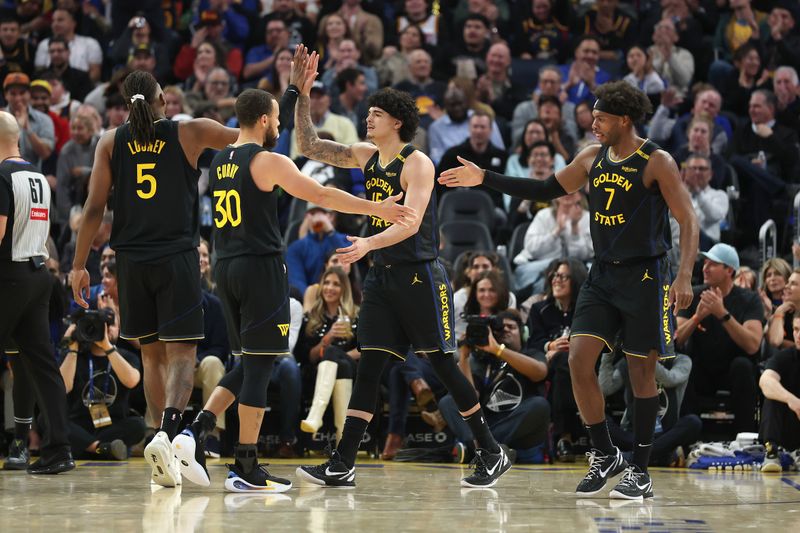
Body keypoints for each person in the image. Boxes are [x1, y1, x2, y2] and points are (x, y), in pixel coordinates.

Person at [440, 80, 699, 500]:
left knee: (641, 374)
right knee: (578, 359)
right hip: (602, 275)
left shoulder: (657, 161)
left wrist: (684, 274)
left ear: (624, 120)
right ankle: (604, 453)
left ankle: (640, 469)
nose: (592, 123)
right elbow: (545, 190)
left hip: (646, 276)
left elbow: (688, 220)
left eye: (600, 118)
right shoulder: (590, 158)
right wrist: (483, 177)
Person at [172, 49, 416, 493]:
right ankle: (245, 466)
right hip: (260, 268)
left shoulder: (224, 158)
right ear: (264, 121)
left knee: (247, 361)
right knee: (263, 366)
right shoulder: (271, 162)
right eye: (276, 119)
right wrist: (374, 206)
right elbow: (322, 195)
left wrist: (292, 90)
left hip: (225, 266)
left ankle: (194, 432)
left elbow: (265, 123)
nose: (281, 125)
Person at [294, 59, 512, 489]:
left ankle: (490, 451)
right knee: (371, 364)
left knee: (444, 365)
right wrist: (301, 95)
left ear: (396, 121)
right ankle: (343, 462)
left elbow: (410, 222)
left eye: (375, 114)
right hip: (382, 277)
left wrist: (368, 243)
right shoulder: (365, 155)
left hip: (420, 275)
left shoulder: (419, 164)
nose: (367, 118)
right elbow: (309, 147)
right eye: (367, 112)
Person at [69, 70, 240, 488]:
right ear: (163, 98)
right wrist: (289, 97)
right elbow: (253, 135)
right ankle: (167, 433)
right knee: (182, 353)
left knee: (151, 356)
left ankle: (157, 443)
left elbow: (93, 208)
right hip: (176, 256)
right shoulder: (188, 131)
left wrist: (78, 264)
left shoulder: (109, 141)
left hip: (130, 260)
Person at [0, 110, 74, 475]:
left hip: (9, 276)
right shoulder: (39, 178)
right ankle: (59, 450)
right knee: (44, 367)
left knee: (38, 366)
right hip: (38, 273)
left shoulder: (1, 175)